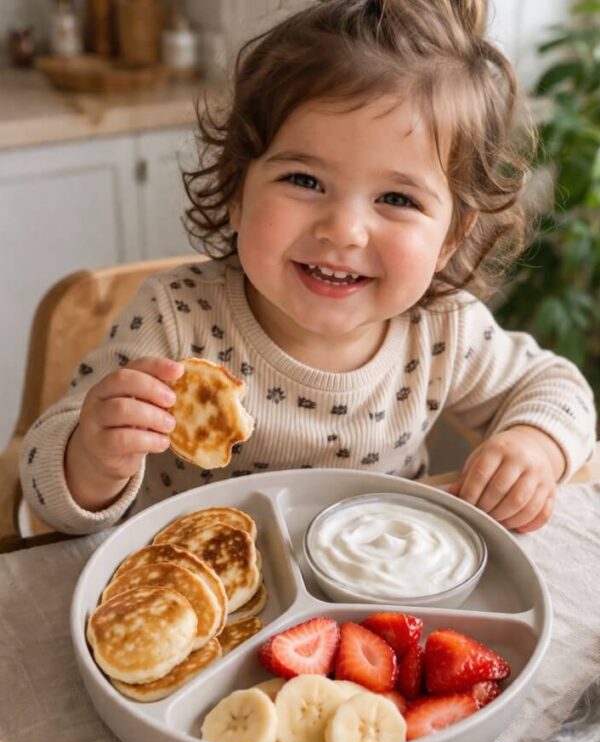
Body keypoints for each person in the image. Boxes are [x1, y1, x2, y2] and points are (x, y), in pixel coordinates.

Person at [20, 0, 596, 536]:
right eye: (304, 180)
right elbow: (42, 486)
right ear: (236, 192)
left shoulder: (446, 329)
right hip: (195, 611)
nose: (343, 230)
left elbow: (557, 388)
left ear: (451, 237)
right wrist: (93, 459)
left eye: (397, 199)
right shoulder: (173, 322)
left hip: (371, 607)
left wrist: (535, 446)